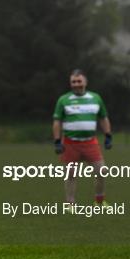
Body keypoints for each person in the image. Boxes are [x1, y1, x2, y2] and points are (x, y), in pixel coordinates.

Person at [52, 69, 113, 209]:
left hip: (90, 142)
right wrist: (56, 141)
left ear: (85, 82)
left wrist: (108, 135)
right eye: (73, 81)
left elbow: (103, 118)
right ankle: (70, 203)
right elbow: (57, 121)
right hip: (70, 143)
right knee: (71, 174)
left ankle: (99, 201)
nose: (76, 84)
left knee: (102, 171)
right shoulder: (63, 100)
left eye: (79, 81)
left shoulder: (95, 98)